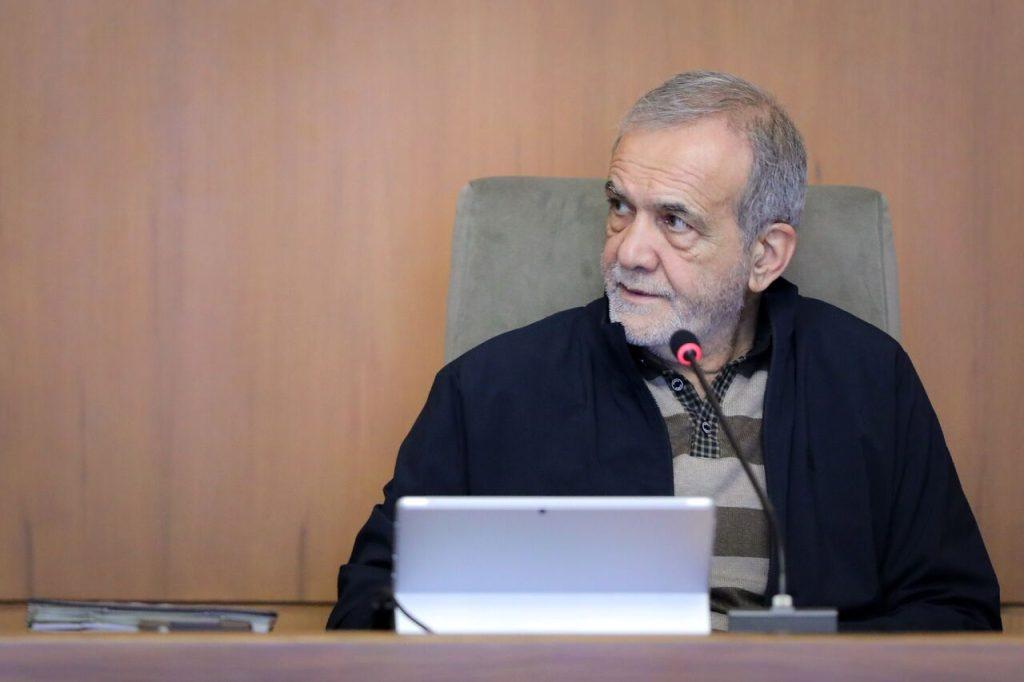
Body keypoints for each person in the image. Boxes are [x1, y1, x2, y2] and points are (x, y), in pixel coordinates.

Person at [327, 72, 1001, 631]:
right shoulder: (490, 388)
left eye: (674, 221)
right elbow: (368, 605)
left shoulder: (867, 379)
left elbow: (957, 612)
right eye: (621, 207)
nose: (628, 251)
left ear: (764, 255)